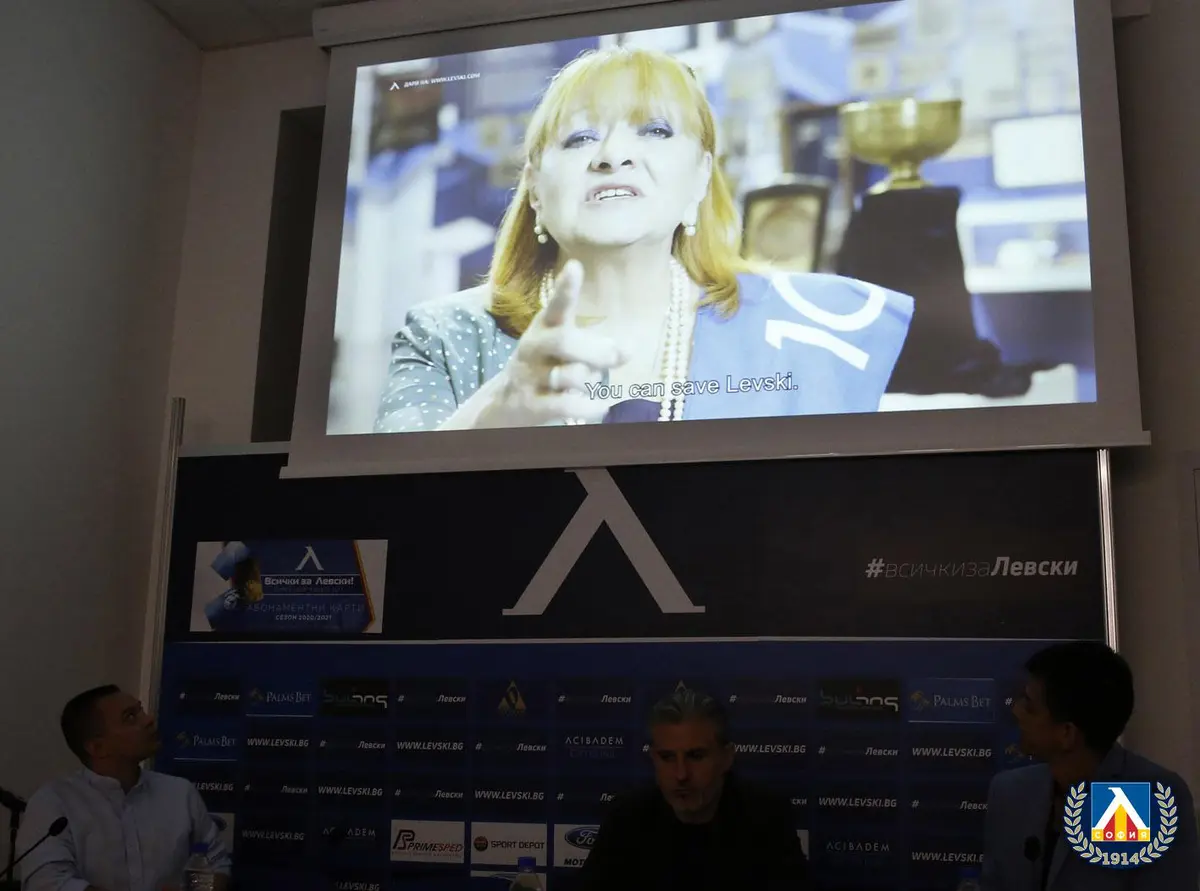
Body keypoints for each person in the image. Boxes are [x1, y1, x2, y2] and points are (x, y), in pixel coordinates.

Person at [375, 45, 914, 432]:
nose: (613, 155)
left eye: (655, 130)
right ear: (535, 189)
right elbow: (388, 512)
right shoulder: (443, 336)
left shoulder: (824, 325)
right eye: (580, 137)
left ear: (701, 177)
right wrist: (496, 412)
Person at [982, 641, 1198, 891]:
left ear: (1067, 733)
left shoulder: (1147, 797)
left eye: (1029, 706)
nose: (1016, 711)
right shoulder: (1010, 792)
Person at [577, 687, 809, 890]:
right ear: (653, 758)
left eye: (696, 756)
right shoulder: (626, 817)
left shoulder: (767, 818)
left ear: (727, 758)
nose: (681, 775)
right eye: (667, 757)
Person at [17, 686, 231, 891]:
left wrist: (195, 889)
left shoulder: (180, 793)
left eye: (141, 710)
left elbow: (216, 863)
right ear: (98, 747)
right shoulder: (53, 803)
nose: (149, 719)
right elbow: (48, 883)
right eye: (130, 717)